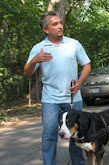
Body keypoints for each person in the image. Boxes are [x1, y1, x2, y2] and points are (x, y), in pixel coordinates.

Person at [24, 11, 91, 165]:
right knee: (49, 135)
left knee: (76, 134)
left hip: (74, 98)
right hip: (50, 100)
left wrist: (80, 82)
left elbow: (87, 65)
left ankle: (78, 163)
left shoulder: (73, 44)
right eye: (55, 24)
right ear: (46, 29)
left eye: (60, 23)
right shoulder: (39, 48)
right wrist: (34, 60)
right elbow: (27, 72)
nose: (60, 26)